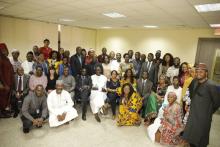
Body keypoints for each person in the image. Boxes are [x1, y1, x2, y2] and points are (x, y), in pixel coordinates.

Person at [182, 63, 220, 147]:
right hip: (193, 114)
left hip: (203, 117)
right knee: (191, 137)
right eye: (197, 71)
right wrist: (188, 104)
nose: (198, 73)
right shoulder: (194, 81)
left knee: (200, 139)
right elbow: (191, 95)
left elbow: (217, 102)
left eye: (201, 71)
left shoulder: (211, 85)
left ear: (206, 73)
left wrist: (208, 111)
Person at [0, 43, 14, 118]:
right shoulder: (0, 59)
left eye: (6, 49)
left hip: (9, 82)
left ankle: (4, 111)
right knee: (2, 98)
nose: (5, 51)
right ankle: (1, 113)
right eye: (3, 50)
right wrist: (4, 84)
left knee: (6, 98)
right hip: (4, 83)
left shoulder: (6, 58)